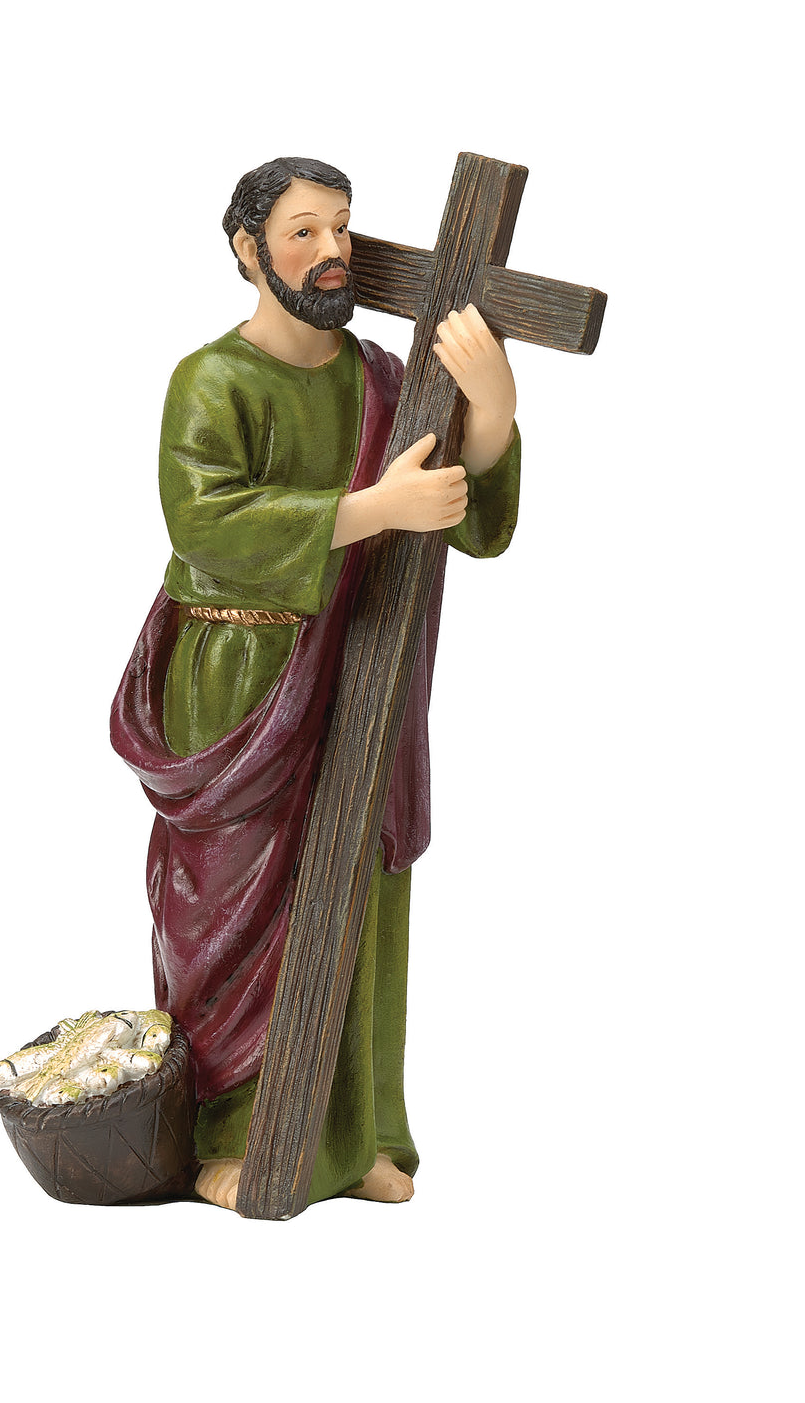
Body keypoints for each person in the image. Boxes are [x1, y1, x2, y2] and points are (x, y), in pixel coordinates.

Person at [111, 157, 520, 1211]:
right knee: (233, 908)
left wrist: (491, 413)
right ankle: (235, 1131)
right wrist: (369, 511)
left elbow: (466, 518)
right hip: (239, 678)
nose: (333, 250)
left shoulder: (387, 379)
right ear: (248, 251)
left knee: (362, 886)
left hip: (364, 657)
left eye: (342, 226)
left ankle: (354, 1134)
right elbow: (205, 521)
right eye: (303, 232)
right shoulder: (212, 380)